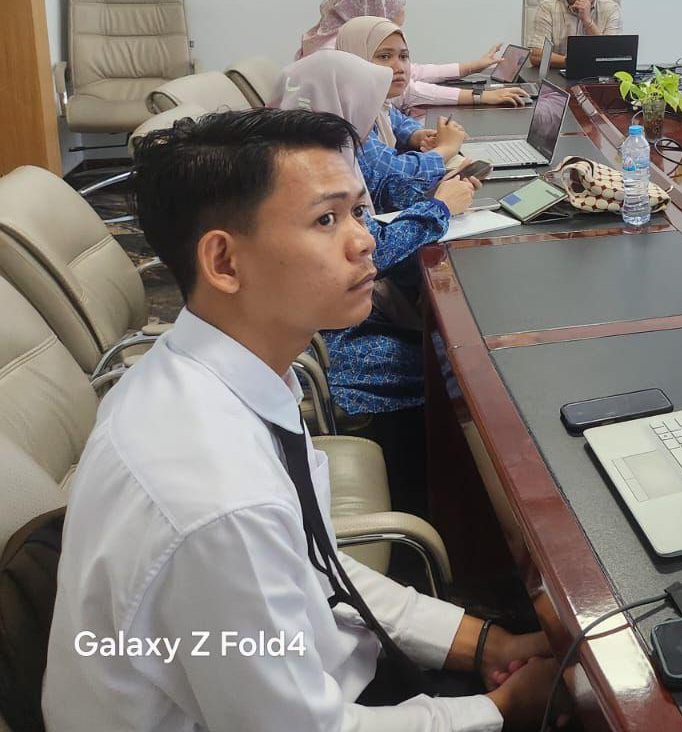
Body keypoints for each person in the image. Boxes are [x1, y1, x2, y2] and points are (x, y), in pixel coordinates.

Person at [43, 108, 556, 730]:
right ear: (224, 263)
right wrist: (498, 712)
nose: (364, 239)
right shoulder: (219, 502)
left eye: (357, 212)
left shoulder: (225, 371)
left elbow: (318, 568)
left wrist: (484, 643)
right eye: (326, 219)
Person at [272, 55, 477, 510]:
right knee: (455, 369)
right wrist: (439, 208)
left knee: (445, 342)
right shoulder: (304, 174)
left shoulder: (306, 153)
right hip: (323, 350)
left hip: (318, 329)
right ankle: (451, 503)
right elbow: (364, 249)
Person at [299, 0, 529, 108]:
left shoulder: (349, 36)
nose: (404, 9)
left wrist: (471, 67)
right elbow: (405, 92)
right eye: (399, 3)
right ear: (376, 5)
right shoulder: (338, 52)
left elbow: (411, 73)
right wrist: (480, 96)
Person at [334, 16, 468, 212]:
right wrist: (446, 149)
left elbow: (399, 121)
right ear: (354, 60)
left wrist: (418, 136)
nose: (399, 67)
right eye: (384, 57)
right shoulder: (348, 116)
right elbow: (394, 172)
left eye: (403, 56)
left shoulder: (375, 101)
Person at [527, 0, 622, 69]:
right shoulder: (547, 8)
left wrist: (588, 22)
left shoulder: (611, 9)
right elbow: (536, 55)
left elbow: (612, 56)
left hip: (598, 79)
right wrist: (575, 61)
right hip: (558, 78)